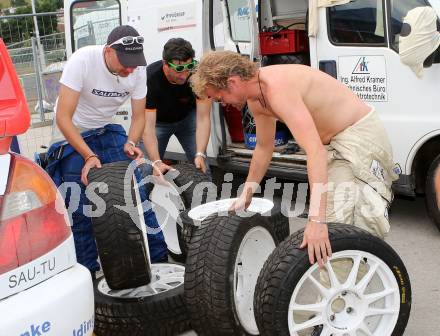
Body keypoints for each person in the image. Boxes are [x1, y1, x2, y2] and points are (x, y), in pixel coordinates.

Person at [191, 51, 398, 265]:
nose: (222, 103)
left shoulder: (277, 89)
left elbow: (314, 151)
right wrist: (248, 191)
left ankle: (358, 284)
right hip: (331, 144)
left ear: (232, 82)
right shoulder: (256, 99)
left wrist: (316, 220)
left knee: (340, 223)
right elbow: (263, 147)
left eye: (219, 97)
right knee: (337, 223)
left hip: (358, 135)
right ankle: (346, 281)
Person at [46, 25, 168, 274]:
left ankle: (160, 262)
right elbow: (63, 117)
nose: (130, 69)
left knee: (137, 196)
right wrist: (88, 155)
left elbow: (138, 117)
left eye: (134, 63)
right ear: (108, 51)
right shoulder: (83, 60)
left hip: (106, 129)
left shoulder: (137, 69)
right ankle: (87, 273)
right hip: (73, 131)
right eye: (125, 62)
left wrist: (132, 142)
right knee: (79, 206)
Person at [141, 38, 212, 176]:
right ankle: (145, 197)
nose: (185, 74)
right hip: (158, 124)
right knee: (148, 169)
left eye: (189, 67)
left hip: (187, 120)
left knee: (203, 166)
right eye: (179, 69)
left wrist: (200, 153)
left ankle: (209, 196)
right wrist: (156, 161)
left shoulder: (199, 75)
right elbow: (147, 127)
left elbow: (203, 118)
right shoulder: (149, 79)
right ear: (165, 65)